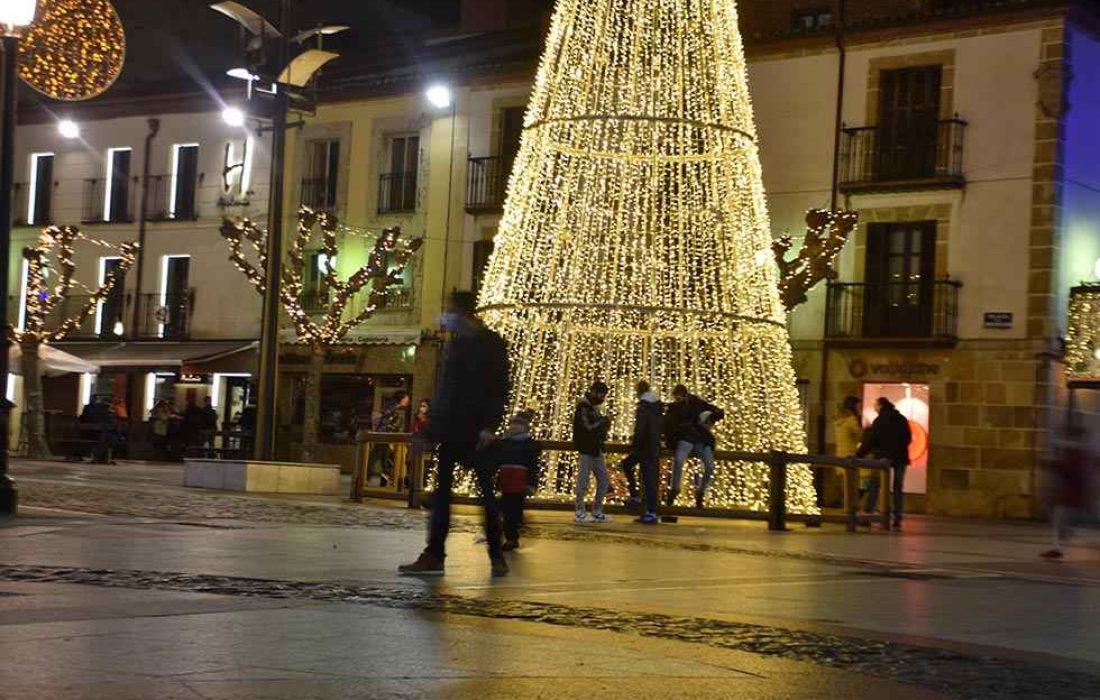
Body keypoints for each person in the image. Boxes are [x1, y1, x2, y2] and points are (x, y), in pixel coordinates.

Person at [399, 291, 511, 577]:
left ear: (465, 313)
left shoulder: (491, 344)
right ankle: (435, 553)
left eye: (452, 312)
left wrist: (489, 426)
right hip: (451, 430)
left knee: (486, 495)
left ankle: (496, 554)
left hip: (476, 432)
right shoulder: (457, 345)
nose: (448, 317)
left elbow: (499, 388)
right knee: (442, 496)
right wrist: (433, 425)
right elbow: (446, 389)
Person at [488, 410, 542, 550]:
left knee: (511, 510)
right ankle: (511, 534)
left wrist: (531, 483)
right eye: (513, 423)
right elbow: (496, 461)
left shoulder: (529, 445)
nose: (515, 427)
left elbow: (533, 466)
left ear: (525, 427)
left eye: (519, 424)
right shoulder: (504, 443)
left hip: (519, 481)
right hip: (506, 480)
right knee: (507, 509)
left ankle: (512, 537)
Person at [664, 385, 725, 509]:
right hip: (690, 437)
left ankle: (699, 491)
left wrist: (712, 417)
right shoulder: (676, 407)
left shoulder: (696, 403)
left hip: (698, 438)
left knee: (709, 465)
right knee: (680, 460)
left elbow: (716, 411)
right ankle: (676, 489)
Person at [1040, 423, 1094, 559]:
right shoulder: (1077, 453)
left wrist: (1053, 464)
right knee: (1062, 522)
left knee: (1065, 523)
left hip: (1072, 495)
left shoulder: (1077, 454)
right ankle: (1056, 547)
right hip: (1070, 495)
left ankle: (1057, 547)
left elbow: (1071, 472)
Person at [857, 397, 912, 529]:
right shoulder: (901, 419)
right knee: (898, 487)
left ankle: (868, 514)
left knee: (875, 485)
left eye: (875, 405)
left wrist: (859, 454)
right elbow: (908, 438)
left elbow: (872, 440)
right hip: (900, 457)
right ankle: (897, 518)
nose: (874, 407)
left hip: (882, 457)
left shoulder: (879, 420)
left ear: (880, 405)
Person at [621, 381, 664, 524]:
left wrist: (635, 444)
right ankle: (646, 507)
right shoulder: (658, 406)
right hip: (654, 446)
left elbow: (640, 428)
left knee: (637, 471)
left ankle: (639, 500)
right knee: (649, 478)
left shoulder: (643, 407)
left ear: (638, 391)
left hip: (644, 447)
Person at [572, 381, 612, 524]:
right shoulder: (583, 407)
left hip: (596, 449)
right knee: (583, 481)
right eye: (601, 394)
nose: (602, 397)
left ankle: (597, 510)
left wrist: (605, 424)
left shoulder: (594, 408)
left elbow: (597, 429)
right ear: (594, 392)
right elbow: (586, 428)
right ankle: (579, 511)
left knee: (603, 480)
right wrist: (603, 421)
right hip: (586, 449)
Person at [833, 396, 866, 510]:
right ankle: (851, 509)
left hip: (840, 454)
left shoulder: (838, 419)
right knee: (856, 484)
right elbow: (860, 436)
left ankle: (845, 506)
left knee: (845, 484)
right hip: (851, 454)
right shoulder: (851, 420)